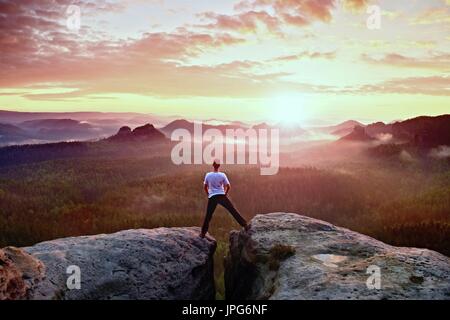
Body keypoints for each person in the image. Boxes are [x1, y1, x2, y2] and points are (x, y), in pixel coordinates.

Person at [200, 160, 249, 238]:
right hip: (222, 195)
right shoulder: (222, 175)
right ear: (219, 166)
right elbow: (228, 186)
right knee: (233, 210)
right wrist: (225, 193)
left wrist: (208, 194)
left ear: (213, 165)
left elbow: (205, 186)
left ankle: (203, 233)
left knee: (208, 215)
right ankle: (245, 225)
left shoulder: (208, 175)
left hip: (212, 196)